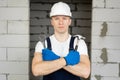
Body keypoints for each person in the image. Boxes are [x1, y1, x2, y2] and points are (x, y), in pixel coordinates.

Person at [32, 2, 90, 80]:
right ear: (52, 22)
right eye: (56, 19)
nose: (61, 22)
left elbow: (85, 72)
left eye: (64, 18)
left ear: (69, 21)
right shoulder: (43, 44)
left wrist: (54, 60)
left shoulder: (78, 43)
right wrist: (66, 60)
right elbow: (36, 70)